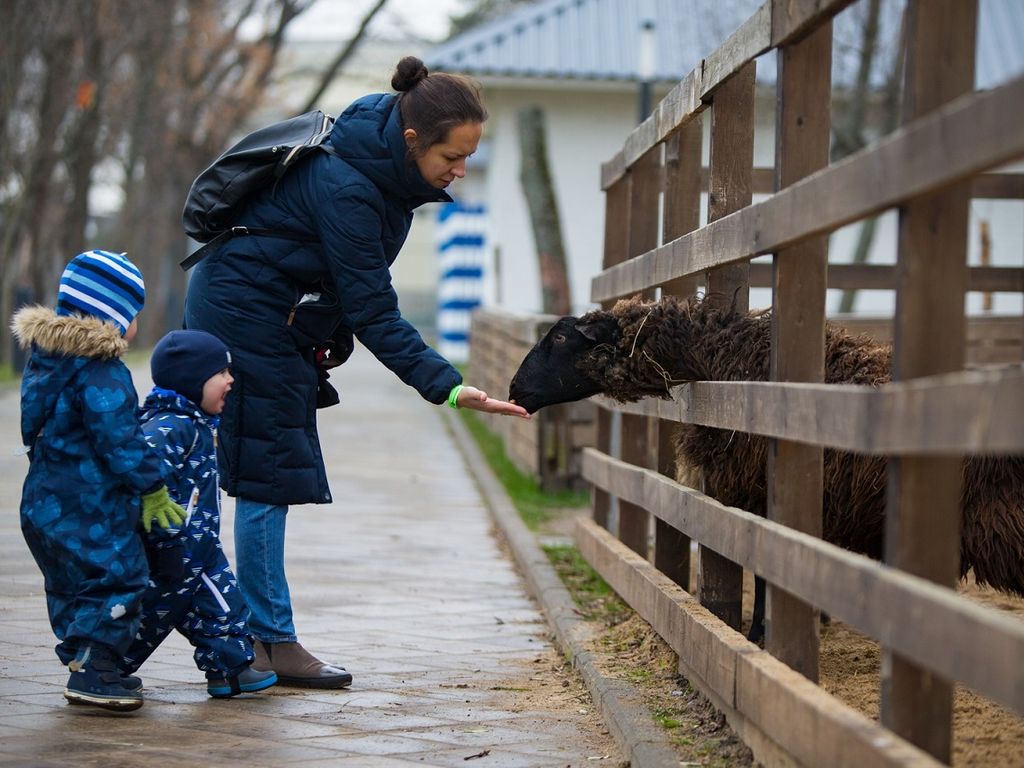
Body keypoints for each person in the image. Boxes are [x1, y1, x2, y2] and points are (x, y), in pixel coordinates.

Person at [183, 55, 528, 688]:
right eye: (453, 156)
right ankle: (263, 640)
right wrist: (446, 384)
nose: (461, 170)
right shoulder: (351, 186)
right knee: (269, 470)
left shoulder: (383, 169)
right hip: (245, 310)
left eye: (470, 156)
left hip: (273, 308)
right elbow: (372, 306)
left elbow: (340, 280)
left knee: (270, 464)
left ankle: (252, 632)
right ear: (412, 139)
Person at [12, 249, 186, 712]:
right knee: (120, 577)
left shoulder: (43, 360)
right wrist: (151, 484)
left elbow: (31, 426)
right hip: (92, 502)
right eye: (132, 315)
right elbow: (120, 438)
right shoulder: (102, 369)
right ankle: (96, 669)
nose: (134, 326)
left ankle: (82, 660)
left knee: (70, 582)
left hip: (43, 499)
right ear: (109, 315)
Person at [120, 330, 278, 698]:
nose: (230, 380)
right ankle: (106, 664)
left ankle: (231, 671)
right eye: (221, 373)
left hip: (199, 547)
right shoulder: (170, 427)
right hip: (175, 549)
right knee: (149, 616)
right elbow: (149, 484)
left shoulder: (195, 423)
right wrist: (166, 541)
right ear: (193, 380)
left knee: (222, 607)